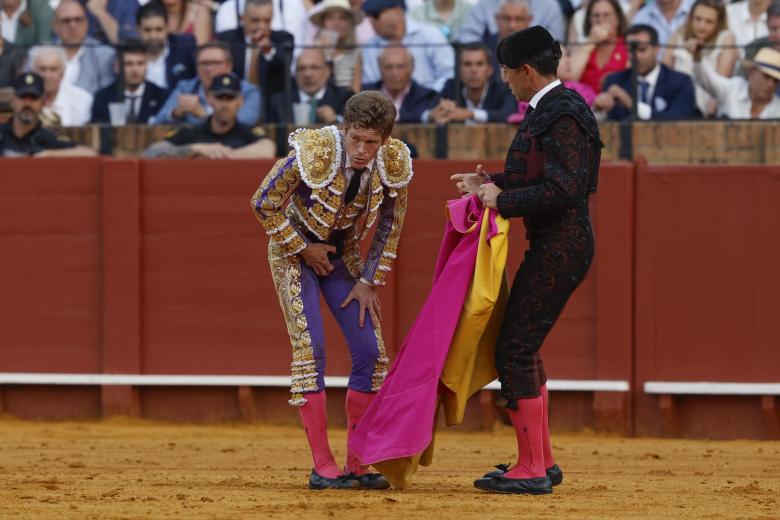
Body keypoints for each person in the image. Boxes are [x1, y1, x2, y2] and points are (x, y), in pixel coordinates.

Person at [451, 26, 601, 495]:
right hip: (554, 243)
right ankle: (541, 460)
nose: (504, 79)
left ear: (527, 71)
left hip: (563, 244)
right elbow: (536, 174)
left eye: (506, 71)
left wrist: (502, 200)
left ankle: (532, 467)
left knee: (513, 348)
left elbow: (565, 189)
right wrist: (489, 184)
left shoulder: (562, 114)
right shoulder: (551, 110)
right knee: (523, 345)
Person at [250, 90, 412, 490]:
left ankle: (358, 464)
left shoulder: (394, 163)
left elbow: (391, 225)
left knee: (371, 354)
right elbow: (263, 202)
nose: (360, 150)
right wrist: (302, 248)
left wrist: (368, 281)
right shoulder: (315, 150)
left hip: (342, 258)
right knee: (311, 350)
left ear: (385, 140)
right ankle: (323, 466)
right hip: (294, 252)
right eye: (355, 138)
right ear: (344, 129)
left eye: (370, 143)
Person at [145, 73, 276, 158]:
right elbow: (152, 152)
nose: (225, 104)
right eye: (220, 98)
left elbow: (268, 149)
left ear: (240, 101)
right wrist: (196, 148)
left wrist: (226, 155)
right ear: (208, 99)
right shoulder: (191, 132)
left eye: (230, 98)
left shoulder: (247, 133)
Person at [594, 24, 696, 121]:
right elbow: (603, 125)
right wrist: (598, 110)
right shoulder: (615, 81)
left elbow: (679, 122)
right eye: (630, 51)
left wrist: (633, 105)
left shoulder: (680, 82)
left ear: (656, 49)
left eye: (642, 50)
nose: (635, 57)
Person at [216, 0, 294, 119]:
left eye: (267, 21)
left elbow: (283, 65)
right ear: (242, 19)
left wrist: (269, 51)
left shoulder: (283, 39)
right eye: (255, 21)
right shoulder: (226, 40)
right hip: (234, 102)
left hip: (271, 109)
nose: (261, 26)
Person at [154, 41, 261, 126]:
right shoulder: (185, 88)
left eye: (215, 63)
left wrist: (204, 115)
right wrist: (175, 113)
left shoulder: (247, 90)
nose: (209, 68)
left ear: (229, 66)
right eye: (204, 63)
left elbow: (246, 121)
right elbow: (157, 122)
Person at [663, 0, 737, 117]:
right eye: (697, 19)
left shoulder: (726, 38)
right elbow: (664, 73)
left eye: (709, 22)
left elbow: (721, 84)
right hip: (676, 108)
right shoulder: (678, 35)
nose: (702, 26)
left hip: (708, 111)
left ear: (719, 23)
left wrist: (709, 116)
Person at [360, 0, 455, 92]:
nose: (371, 21)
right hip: (386, 105)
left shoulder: (429, 35)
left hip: (432, 103)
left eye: (376, 15)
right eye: (368, 16)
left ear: (397, 11)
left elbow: (448, 73)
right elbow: (370, 84)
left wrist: (429, 97)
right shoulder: (370, 47)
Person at [0, 72, 97, 157]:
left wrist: (49, 154)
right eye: (23, 97)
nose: (27, 104)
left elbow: (90, 154)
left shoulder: (48, 138)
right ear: (13, 101)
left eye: (33, 98)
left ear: (43, 103)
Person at [425, 41, 516, 124]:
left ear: (490, 70)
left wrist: (470, 114)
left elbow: (508, 115)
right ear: (458, 70)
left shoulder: (502, 90)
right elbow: (428, 109)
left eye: (479, 64)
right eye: (467, 64)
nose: (473, 70)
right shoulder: (451, 87)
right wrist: (435, 113)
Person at [508, 44, 597, 123]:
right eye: (561, 58)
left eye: (568, 55)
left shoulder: (581, 90)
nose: (568, 61)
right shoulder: (530, 93)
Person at [91, 40, 169, 125]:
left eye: (140, 64)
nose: (135, 70)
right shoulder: (103, 97)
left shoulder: (161, 97)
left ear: (146, 66)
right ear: (117, 67)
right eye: (128, 64)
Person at [692, 44, 780, 119]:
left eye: (775, 81)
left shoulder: (777, 108)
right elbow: (705, 79)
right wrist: (697, 56)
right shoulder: (732, 89)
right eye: (766, 77)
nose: (771, 84)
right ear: (751, 73)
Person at [267, 48, 353, 124]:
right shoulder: (279, 102)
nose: (307, 74)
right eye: (301, 68)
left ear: (327, 71)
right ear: (295, 74)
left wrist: (335, 120)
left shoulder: (345, 99)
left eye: (314, 67)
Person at [52, 0, 115, 95]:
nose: (73, 25)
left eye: (78, 20)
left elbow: (106, 97)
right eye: (66, 21)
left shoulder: (104, 55)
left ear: (86, 23)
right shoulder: (41, 53)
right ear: (54, 26)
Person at [362, 46, 439, 122]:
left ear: (412, 68)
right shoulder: (364, 95)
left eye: (400, 67)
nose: (394, 73)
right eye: (388, 67)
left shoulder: (427, 96)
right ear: (380, 68)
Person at [568, 0, 628, 96]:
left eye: (606, 15)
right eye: (596, 16)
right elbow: (570, 77)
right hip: (585, 106)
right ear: (589, 20)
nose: (600, 20)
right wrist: (591, 41)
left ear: (617, 19)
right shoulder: (582, 46)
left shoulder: (627, 47)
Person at [136, 0, 198, 91]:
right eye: (147, 30)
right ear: (138, 30)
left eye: (159, 29)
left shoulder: (185, 47)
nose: (153, 36)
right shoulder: (130, 54)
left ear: (167, 28)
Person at [29, 45, 94, 127]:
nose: (47, 76)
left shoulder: (83, 100)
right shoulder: (23, 99)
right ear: (33, 72)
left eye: (53, 69)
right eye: (42, 69)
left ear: (63, 73)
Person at [309, 0, 362, 93]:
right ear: (323, 23)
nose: (336, 22)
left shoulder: (355, 54)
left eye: (342, 18)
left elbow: (355, 92)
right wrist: (321, 52)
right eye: (330, 18)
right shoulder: (312, 52)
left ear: (349, 23)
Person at [457, 0, 565, 43]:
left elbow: (555, 45)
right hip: (492, 70)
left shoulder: (550, 6)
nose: (512, 26)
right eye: (506, 18)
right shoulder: (483, 4)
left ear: (530, 19)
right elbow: (467, 40)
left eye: (519, 19)